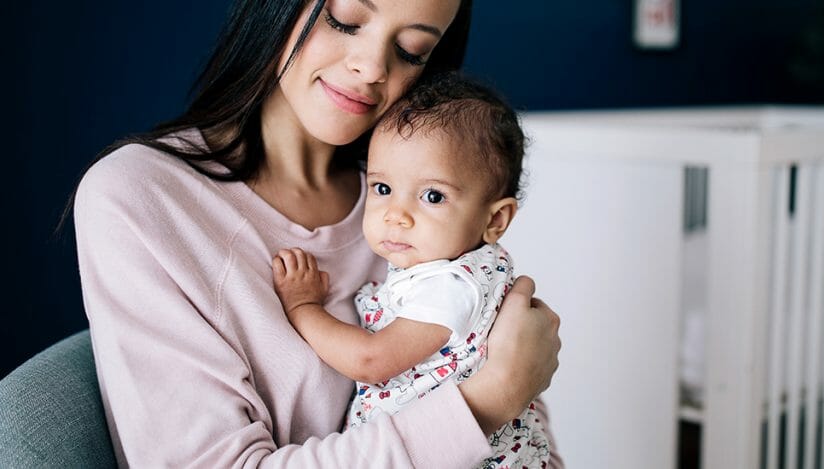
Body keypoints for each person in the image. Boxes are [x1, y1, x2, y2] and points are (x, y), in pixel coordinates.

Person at [70, 0, 561, 466]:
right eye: (345, 19)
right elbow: (504, 389)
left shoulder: (421, 206)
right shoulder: (144, 198)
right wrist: (489, 401)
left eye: (411, 50)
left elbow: (528, 439)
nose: (372, 68)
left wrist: (509, 393)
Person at [272, 72, 550, 468]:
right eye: (383, 188)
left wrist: (303, 307)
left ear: (496, 220)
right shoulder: (451, 264)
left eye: (432, 196)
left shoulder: (451, 286)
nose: (396, 215)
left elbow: (371, 361)